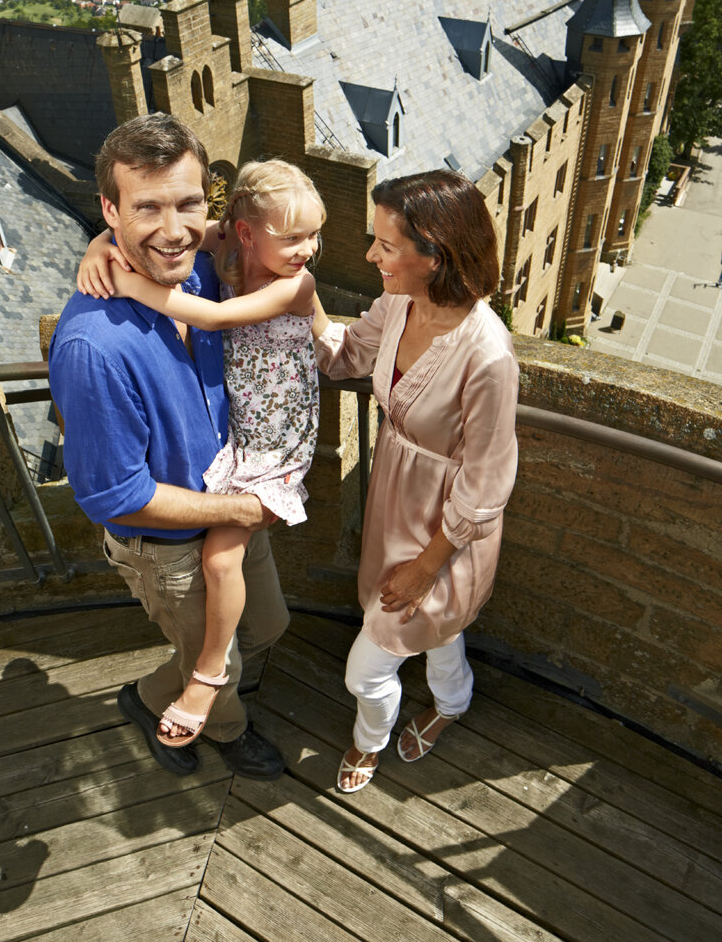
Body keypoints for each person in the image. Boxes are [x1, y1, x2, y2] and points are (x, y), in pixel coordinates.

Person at [48, 113, 288, 781]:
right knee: (219, 666)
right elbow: (114, 494)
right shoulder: (93, 347)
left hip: (229, 503)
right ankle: (224, 730)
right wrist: (238, 511)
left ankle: (147, 693)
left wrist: (106, 239)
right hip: (170, 545)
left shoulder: (200, 272)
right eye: (145, 208)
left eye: (186, 203)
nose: (174, 228)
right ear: (110, 208)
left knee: (264, 625)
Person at [78, 160, 324, 748]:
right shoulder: (220, 247)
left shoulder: (296, 284)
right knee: (222, 574)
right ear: (245, 231)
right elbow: (156, 229)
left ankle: (196, 677)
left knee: (244, 595)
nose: (307, 250)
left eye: (314, 235)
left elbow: (213, 317)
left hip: (275, 444)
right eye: (292, 237)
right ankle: (221, 712)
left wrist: (135, 285)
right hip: (242, 448)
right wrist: (98, 245)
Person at [313, 170, 519, 792]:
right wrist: (296, 290)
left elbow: (485, 483)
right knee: (435, 630)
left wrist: (429, 564)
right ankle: (453, 702)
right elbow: (345, 355)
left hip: (445, 530)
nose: (371, 255)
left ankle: (366, 741)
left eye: (387, 245)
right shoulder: (400, 305)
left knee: (370, 661)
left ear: (435, 254)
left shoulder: (487, 357)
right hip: (394, 498)